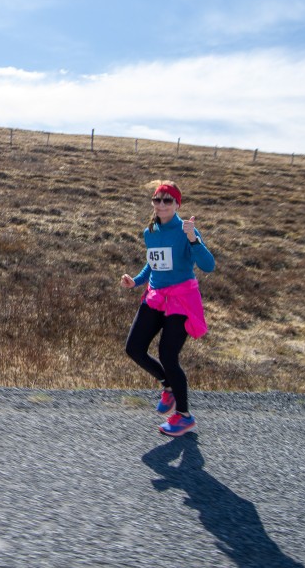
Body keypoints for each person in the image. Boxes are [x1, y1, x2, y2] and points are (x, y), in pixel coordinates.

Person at [121, 180, 215, 436]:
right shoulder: (149, 232)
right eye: (157, 200)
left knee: (168, 354)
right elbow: (153, 264)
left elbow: (208, 266)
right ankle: (167, 385)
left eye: (167, 200)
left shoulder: (185, 230)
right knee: (134, 348)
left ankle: (183, 416)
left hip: (182, 299)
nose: (161, 205)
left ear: (177, 204)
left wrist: (194, 239)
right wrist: (136, 281)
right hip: (155, 296)